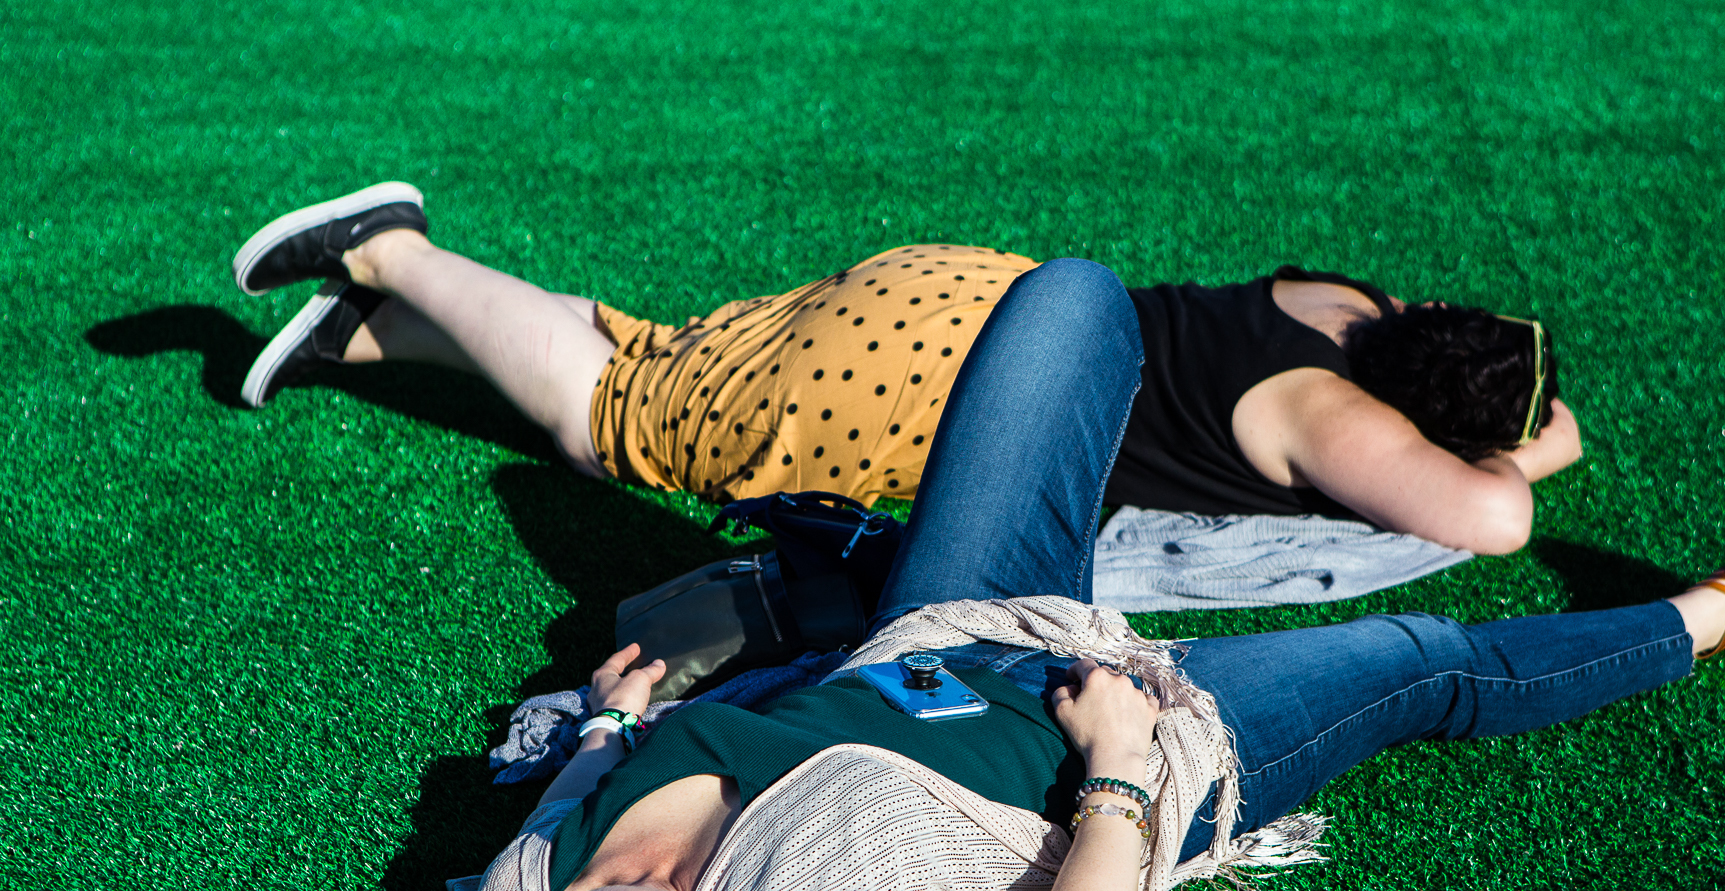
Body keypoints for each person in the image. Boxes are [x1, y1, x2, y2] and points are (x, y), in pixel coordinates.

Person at [234, 189, 1725, 891]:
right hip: (1142, 736)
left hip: (949, 631)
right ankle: (1715, 609)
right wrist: (1114, 767)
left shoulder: (515, 886)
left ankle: (816, 558)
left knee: (1072, 309)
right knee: (1422, 660)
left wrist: (609, 723)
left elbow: (558, 847)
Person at [236, 184, 1579, 554]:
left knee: (674, 358)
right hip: (941, 392)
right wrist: (1504, 443)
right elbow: (1502, 512)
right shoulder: (1336, 419)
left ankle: (375, 328)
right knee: (624, 423)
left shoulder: (1351, 310)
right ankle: (395, 248)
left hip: (964, 294)